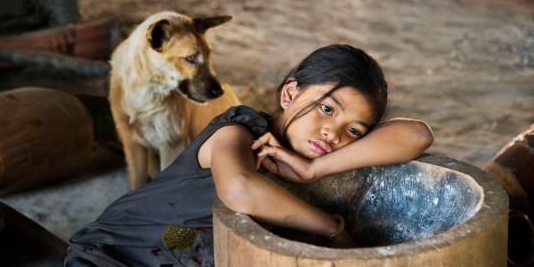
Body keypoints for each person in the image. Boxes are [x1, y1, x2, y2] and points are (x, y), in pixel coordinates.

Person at [65, 44, 434, 267]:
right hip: (111, 255)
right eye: (327, 109)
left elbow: (417, 134)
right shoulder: (240, 132)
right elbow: (239, 189)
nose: (333, 133)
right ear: (289, 94)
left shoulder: (310, 159)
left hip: (179, 250)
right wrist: (332, 228)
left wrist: (312, 169)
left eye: (354, 130)